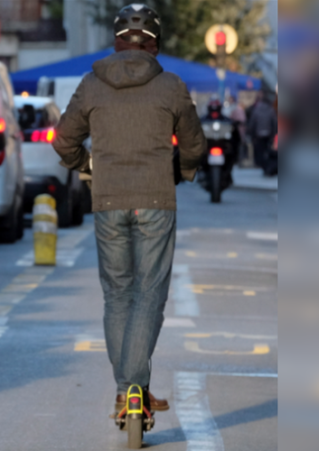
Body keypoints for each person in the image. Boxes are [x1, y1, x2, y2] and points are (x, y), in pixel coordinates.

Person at [51, 3, 206, 414]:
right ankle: (135, 387)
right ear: (154, 44)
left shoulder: (91, 83)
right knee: (149, 294)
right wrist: (180, 170)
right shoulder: (171, 85)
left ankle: (128, 392)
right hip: (156, 200)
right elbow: (194, 146)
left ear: (117, 41)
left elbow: (63, 141)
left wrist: (88, 166)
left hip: (107, 201)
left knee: (118, 295)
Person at [246, 90, 278, 172]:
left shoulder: (256, 110)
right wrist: (274, 133)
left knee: (259, 150)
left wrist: (250, 133)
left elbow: (252, 123)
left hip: (258, 134)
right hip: (268, 133)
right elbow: (274, 122)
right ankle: (267, 165)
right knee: (267, 150)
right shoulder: (270, 110)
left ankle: (261, 165)